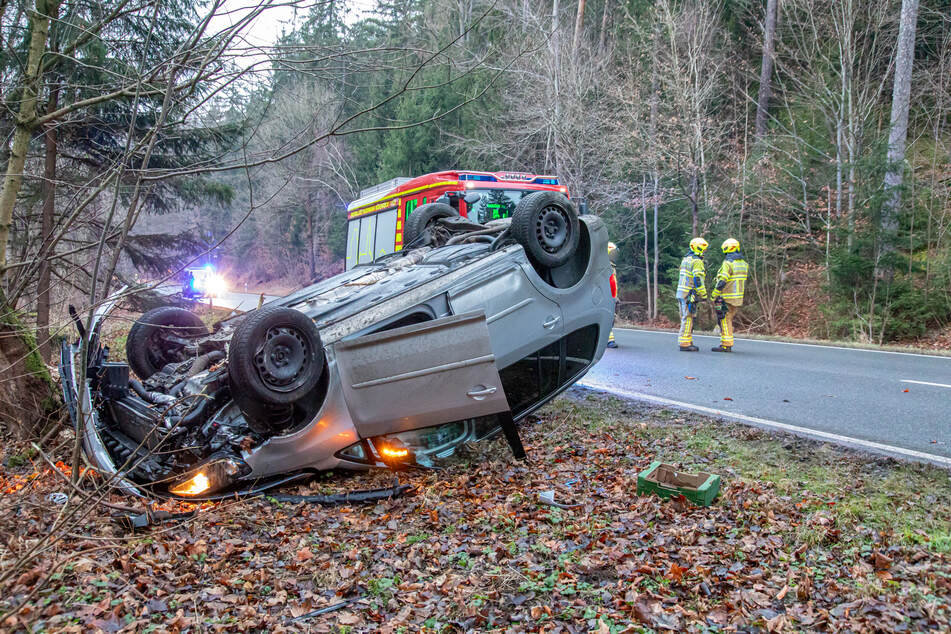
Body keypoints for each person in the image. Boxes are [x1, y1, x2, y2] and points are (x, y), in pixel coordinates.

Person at [710, 238, 748, 352]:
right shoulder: (744, 264)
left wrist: (714, 295)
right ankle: (726, 343)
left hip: (725, 297)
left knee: (724, 320)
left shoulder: (728, 263)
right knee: (729, 319)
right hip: (737, 298)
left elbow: (722, 281)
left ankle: (726, 345)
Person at [676, 237, 708, 351]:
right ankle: (685, 343)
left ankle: (687, 340)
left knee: (685, 317)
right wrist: (703, 294)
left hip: (681, 292)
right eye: (703, 249)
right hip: (689, 294)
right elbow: (697, 279)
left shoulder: (685, 259)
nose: (704, 252)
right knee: (688, 317)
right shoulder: (697, 261)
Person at [607, 241, 619, 348]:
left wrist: (615, 297)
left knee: (610, 318)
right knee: (608, 318)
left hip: (611, 297)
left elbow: (613, 284)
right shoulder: (605, 267)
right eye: (613, 253)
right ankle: (609, 341)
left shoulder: (611, 267)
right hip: (606, 298)